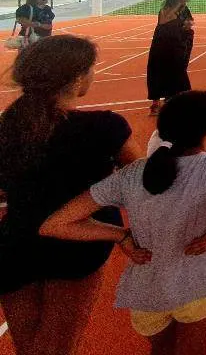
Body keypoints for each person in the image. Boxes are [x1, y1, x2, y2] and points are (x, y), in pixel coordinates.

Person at [40, 90, 206, 355]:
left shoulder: (133, 173)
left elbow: (55, 224)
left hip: (148, 292)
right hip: (202, 283)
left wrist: (120, 235)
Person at [0, 36, 136, 355]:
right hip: (77, 248)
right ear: (76, 78)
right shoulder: (105, 127)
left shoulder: (8, 126)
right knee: (56, 348)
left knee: (30, 348)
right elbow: (143, 179)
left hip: (14, 244)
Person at [147, 0, 194, 115]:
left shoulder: (184, 10)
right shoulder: (165, 10)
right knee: (156, 71)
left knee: (178, 71)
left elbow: (190, 23)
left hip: (177, 44)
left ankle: (172, 98)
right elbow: (165, 21)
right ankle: (155, 104)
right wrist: (178, 7)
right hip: (161, 45)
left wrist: (187, 25)